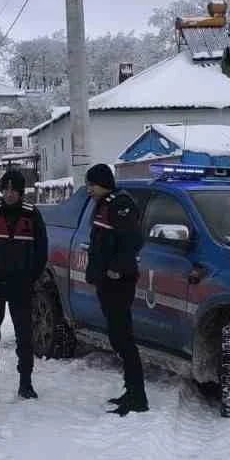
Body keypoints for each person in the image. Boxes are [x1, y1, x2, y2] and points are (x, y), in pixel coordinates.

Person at [0, 168, 48, 401]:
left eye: (13, 189)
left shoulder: (31, 215)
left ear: (20, 191)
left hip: (21, 285)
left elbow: (41, 251)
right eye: (5, 188)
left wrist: (31, 278)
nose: (9, 193)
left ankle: (25, 383)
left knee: (24, 337)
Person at [84, 162, 147, 415]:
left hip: (118, 281)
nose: (88, 189)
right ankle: (130, 391)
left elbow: (132, 241)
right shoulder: (104, 203)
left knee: (123, 338)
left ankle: (138, 397)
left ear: (103, 183)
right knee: (117, 336)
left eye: (91, 184)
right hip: (106, 281)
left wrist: (116, 269)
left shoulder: (121, 203)